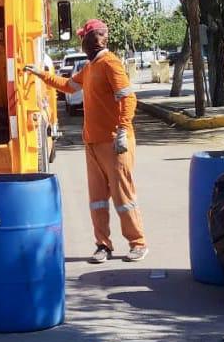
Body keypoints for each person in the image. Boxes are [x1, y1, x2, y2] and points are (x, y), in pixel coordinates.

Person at [26, 18, 148, 263]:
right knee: (97, 200)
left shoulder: (110, 63)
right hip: (93, 143)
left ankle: (138, 243)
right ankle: (103, 245)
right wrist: (41, 74)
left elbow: (128, 98)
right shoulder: (90, 67)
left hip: (114, 143)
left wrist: (123, 130)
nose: (84, 42)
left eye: (86, 36)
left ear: (97, 37)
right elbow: (69, 86)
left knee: (123, 197)